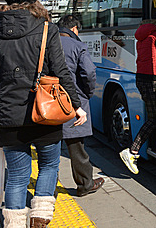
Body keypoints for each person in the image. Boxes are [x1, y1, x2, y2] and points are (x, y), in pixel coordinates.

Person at [0, 0, 87, 228]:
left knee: (16, 175)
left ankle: (14, 224)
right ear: (35, 2)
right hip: (45, 113)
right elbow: (61, 71)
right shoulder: (46, 29)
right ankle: (39, 217)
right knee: (49, 164)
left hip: (8, 116)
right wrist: (77, 105)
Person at [120, 8, 156, 175]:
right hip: (150, 79)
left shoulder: (143, 33)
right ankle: (131, 152)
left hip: (142, 78)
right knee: (155, 117)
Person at [56, 14, 104, 197]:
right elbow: (89, 73)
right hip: (73, 104)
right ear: (74, 29)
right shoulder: (77, 46)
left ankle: (48, 188)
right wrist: (86, 94)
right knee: (77, 148)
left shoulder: (46, 43)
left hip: (47, 103)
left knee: (49, 149)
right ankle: (85, 184)